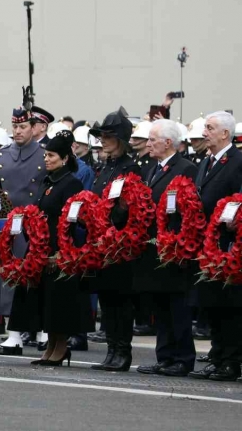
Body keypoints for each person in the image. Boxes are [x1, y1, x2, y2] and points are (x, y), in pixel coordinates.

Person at [10, 130, 93, 367]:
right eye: (45, 155)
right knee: (46, 301)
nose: (46, 159)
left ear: (65, 158)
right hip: (41, 248)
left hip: (61, 249)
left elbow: (73, 219)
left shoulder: (71, 183)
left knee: (60, 301)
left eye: (52, 156)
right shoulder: (48, 181)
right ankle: (51, 345)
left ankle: (61, 346)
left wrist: (63, 250)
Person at [133, 120, 198, 378]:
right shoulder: (153, 169)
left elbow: (190, 211)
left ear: (168, 142)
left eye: (152, 139)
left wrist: (178, 242)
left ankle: (183, 357)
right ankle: (165, 356)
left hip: (174, 247)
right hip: (154, 248)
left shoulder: (186, 169)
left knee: (177, 306)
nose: (148, 144)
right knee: (160, 305)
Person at [0, 105, 47, 355]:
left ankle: (44, 330)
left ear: (34, 128)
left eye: (23, 126)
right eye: (15, 127)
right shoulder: (0, 156)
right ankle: (14, 334)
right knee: (8, 278)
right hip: (9, 226)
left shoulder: (45, 154)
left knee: (38, 278)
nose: (18, 131)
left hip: (35, 225)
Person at [86, 107, 140, 372]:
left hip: (121, 243)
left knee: (121, 300)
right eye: (101, 136)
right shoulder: (104, 168)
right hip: (101, 243)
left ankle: (123, 351)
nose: (103, 141)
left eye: (108, 136)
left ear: (121, 139)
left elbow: (132, 206)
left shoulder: (131, 168)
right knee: (107, 300)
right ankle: (111, 349)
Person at [188, 111, 242, 382]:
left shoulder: (238, 161)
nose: (204, 132)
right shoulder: (206, 162)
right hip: (206, 244)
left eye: (210, 128)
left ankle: (231, 361)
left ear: (225, 134)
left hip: (227, 244)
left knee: (229, 304)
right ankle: (218, 355)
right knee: (212, 304)